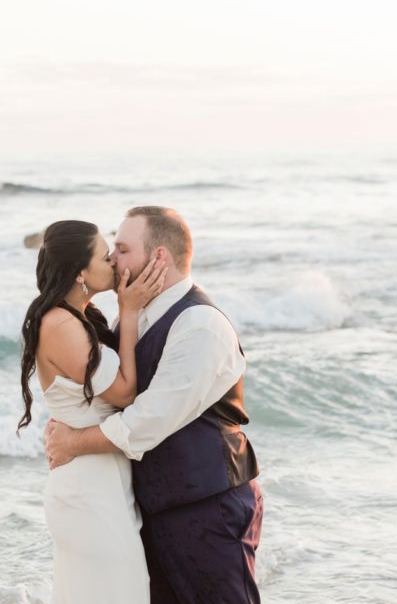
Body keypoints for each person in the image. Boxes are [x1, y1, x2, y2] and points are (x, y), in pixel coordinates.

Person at [45, 206, 263, 604]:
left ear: (159, 256)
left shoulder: (199, 325)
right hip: (154, 511)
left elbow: (147, 421)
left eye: (123, 249)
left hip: (207, 508)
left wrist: (73, 442)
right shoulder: (135, 315)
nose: (113, 259)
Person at [18, 220, 167, 604]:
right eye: (105, 256)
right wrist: (128, 309)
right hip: (87, 492)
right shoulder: (61, 324)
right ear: (82, 272)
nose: (114, 262)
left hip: (103, 484)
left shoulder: (80, 319)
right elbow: (124, 394)